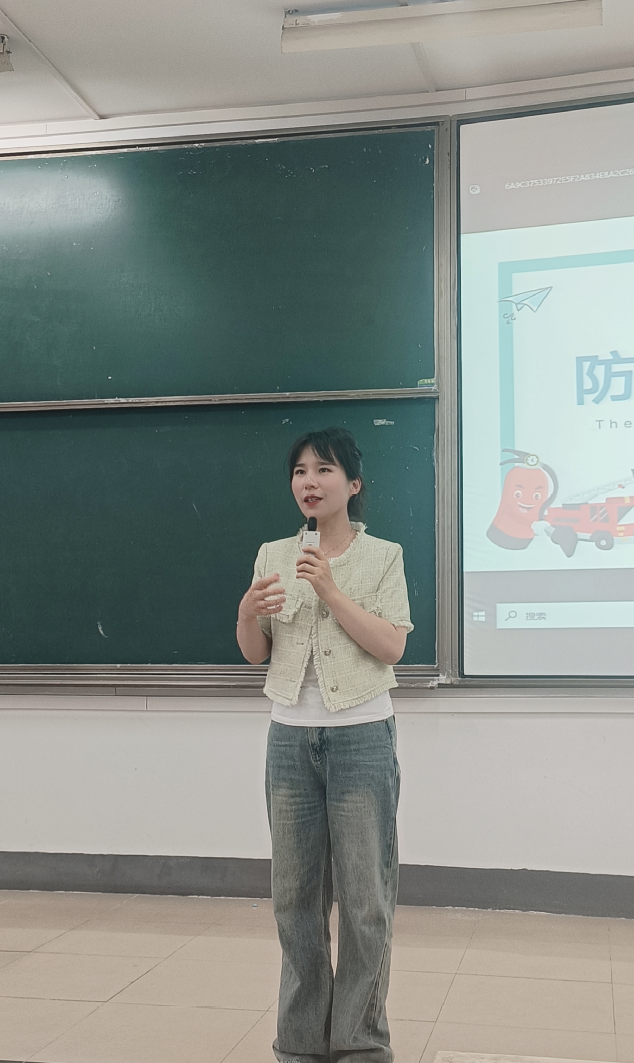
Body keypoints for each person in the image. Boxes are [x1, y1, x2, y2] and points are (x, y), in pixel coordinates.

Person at [236, 426, 413, 1063]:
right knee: (295, 901)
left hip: (361, 736)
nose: (309, 482)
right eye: (299, 471)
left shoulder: (383, 555)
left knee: (365, 902)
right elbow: (256, 652)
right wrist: (247, 611)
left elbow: (392, 646)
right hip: (289, 739)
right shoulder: (273, 552)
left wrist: (330, 589)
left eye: (324, 470)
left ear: (353, 483)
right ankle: (302, 1043)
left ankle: (360, 1044)